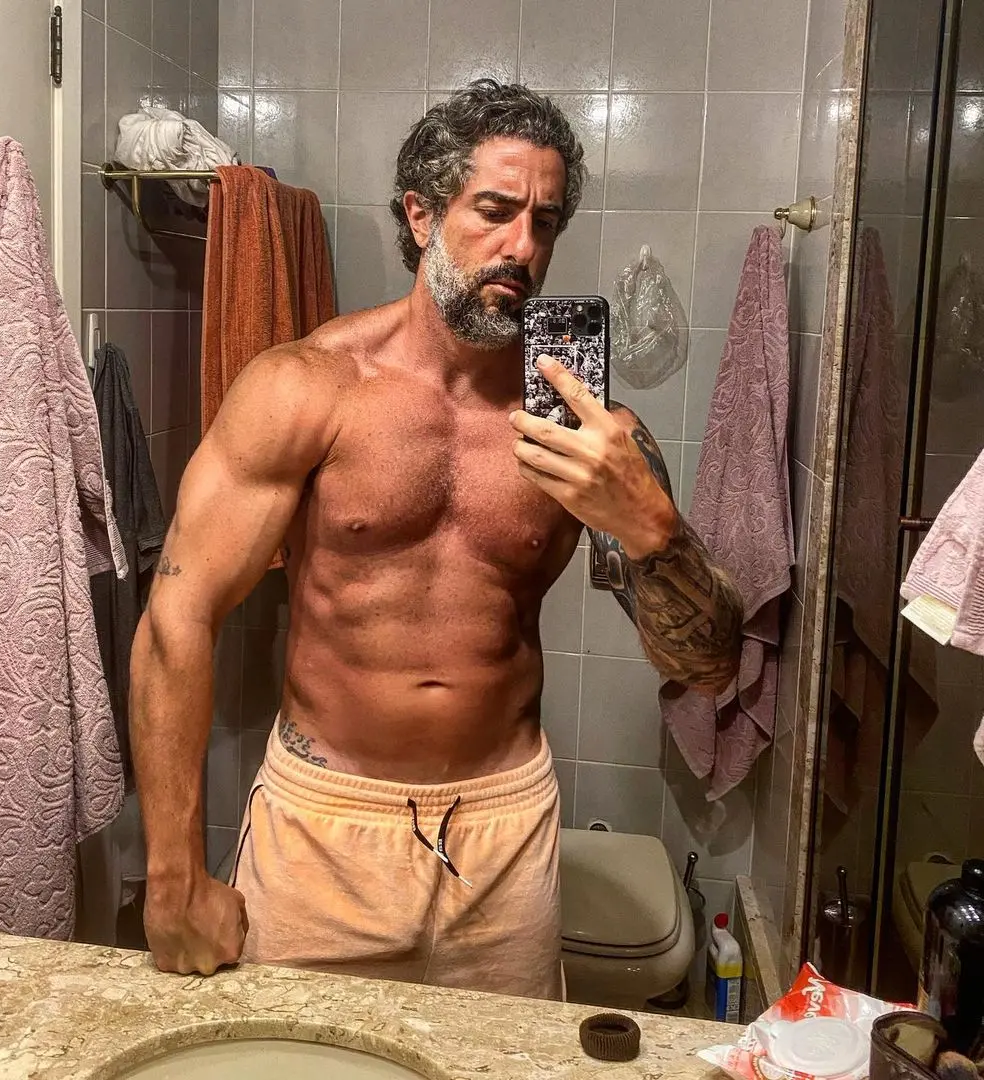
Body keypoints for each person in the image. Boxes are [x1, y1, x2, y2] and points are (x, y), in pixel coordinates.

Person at [129, 79, 743, 999]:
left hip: (504, 836)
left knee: (497, 1064)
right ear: (421, 215)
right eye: (494, 211)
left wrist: (652, 530)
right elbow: (177, 619)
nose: (522, 247)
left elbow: (710, 667)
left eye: (544, 222)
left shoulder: (587, 433)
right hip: (323, 827)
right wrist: (174, 875)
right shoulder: (307, 388)